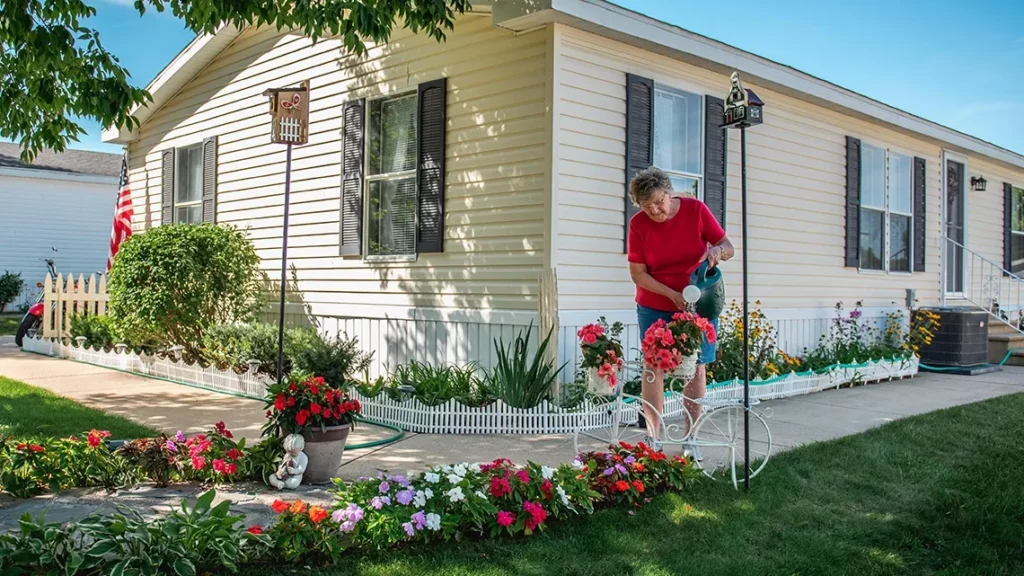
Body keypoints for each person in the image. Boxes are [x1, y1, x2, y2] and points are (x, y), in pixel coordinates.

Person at [626, 166, 735, 456]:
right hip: (655, 304)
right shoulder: (638, 225)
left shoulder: (696, 211)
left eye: (658, 202)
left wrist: (717, 252)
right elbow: (638, 274)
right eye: (646, 206)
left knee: (695, 367)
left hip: (697, 301)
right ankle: (654, 439)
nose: (654, 211)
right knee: (653, 369)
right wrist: (671, 295)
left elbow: (728, 246)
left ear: (669, 193)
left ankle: (691, 440)